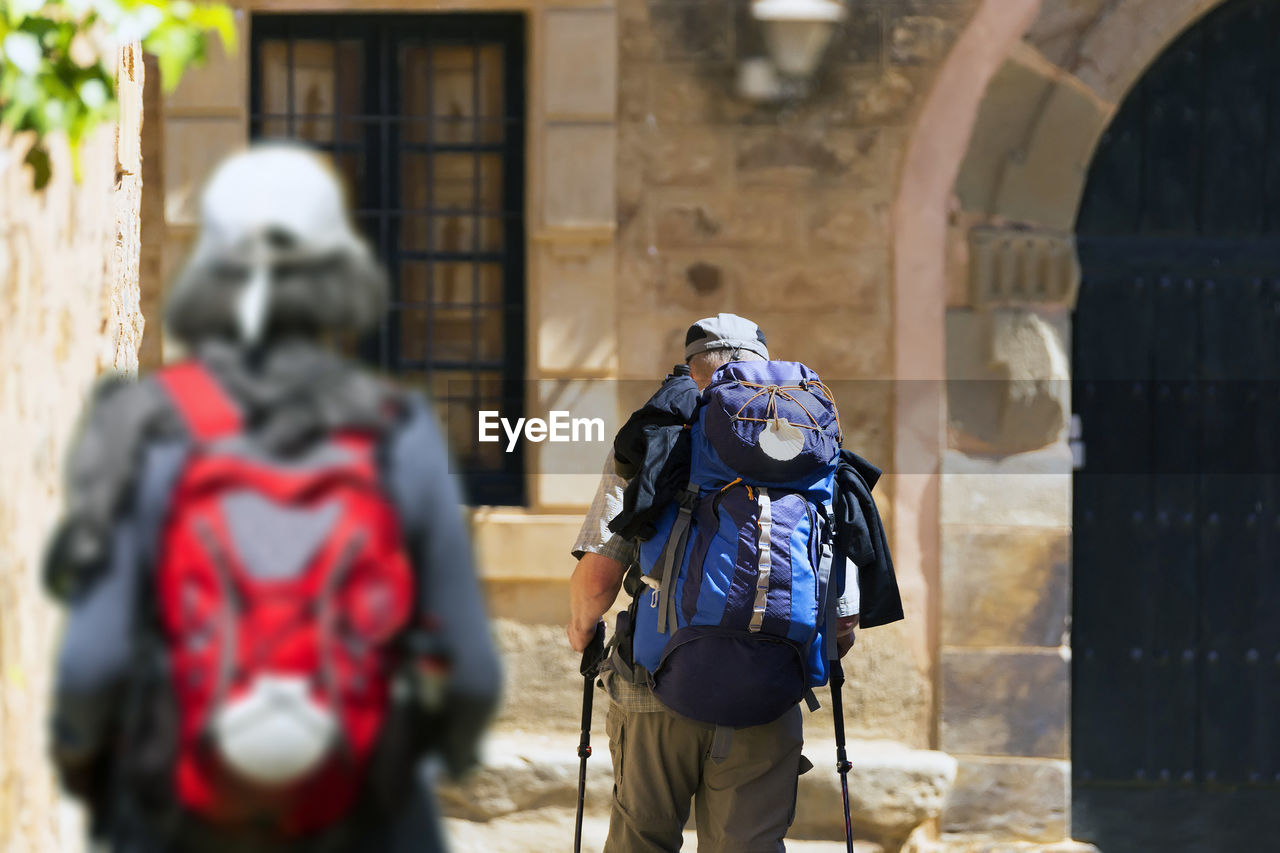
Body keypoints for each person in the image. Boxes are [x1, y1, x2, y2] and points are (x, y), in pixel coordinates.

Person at [44, 143, 501, 853]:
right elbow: (471, 670)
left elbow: (90, 665)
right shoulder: (397, 430)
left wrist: (90, 769)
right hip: (361, 812)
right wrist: (441, 752)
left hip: (180, 812)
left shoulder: (141, 424)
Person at [567, 314, 873, 852]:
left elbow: (598, 577)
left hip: (655, 686)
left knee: (643, 840)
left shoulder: (654, 438)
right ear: (763, 366)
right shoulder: (811, 450)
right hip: (767, 692)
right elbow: (842, 616)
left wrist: (582, 632)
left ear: (692, 368)